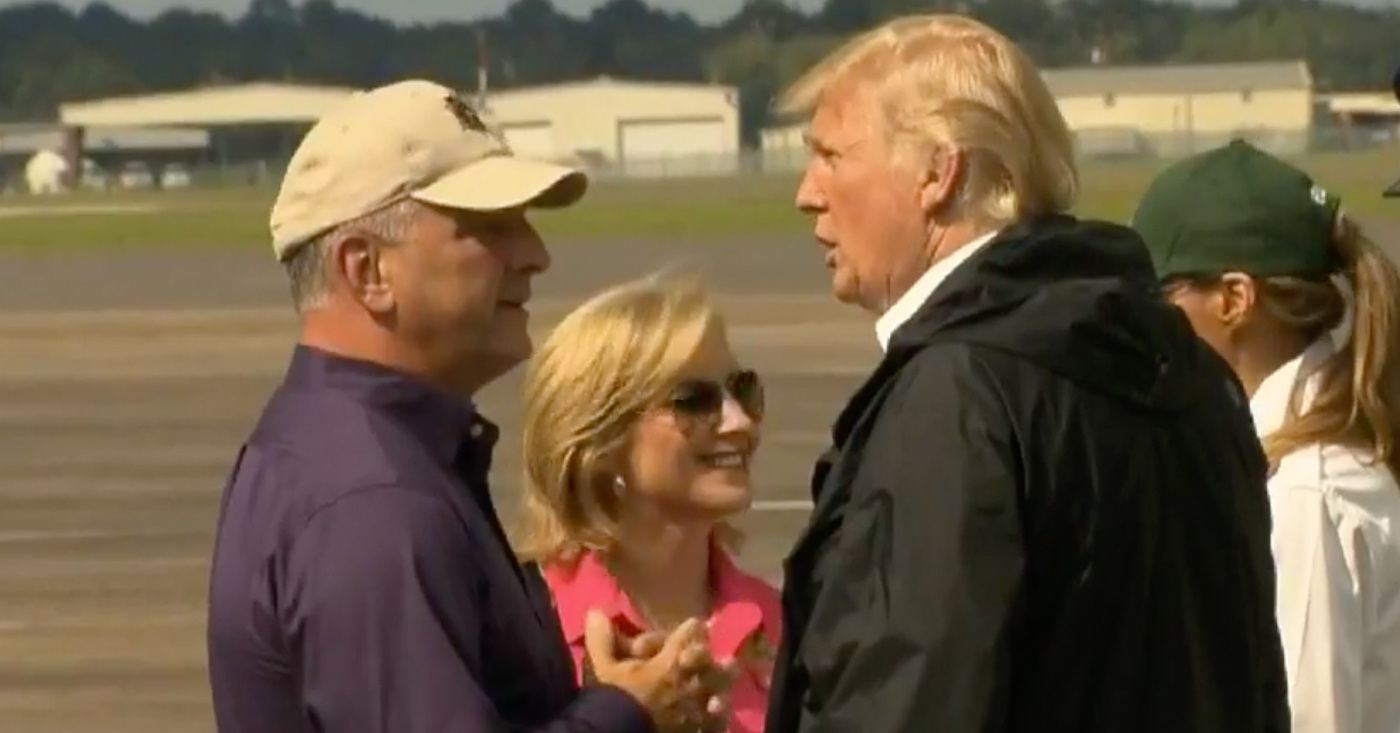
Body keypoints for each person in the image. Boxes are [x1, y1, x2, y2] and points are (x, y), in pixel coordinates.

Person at [764, 14, 1291, 733]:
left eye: (830, 155)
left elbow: (912, 699)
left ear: (937, 173)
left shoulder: (957, 394)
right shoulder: (1196, 376)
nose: (807, 191)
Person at [206, 79, 728, 733]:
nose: (535, 254)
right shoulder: (376, 503)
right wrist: (626, 713)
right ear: (367, 270)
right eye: (488, 228)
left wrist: (579, 699)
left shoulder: (329, 449)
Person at [1134, 139, 1400, 733]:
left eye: (1158, 296)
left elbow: (1309, 720)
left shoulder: (1307, 493)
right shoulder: (1304, 453)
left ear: (1235, 299)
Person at [514, 273, 781, 733]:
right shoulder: (522, 631)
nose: (739, 421)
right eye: (693, 401)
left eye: (743, 389)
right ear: (601, 441)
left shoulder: (787, 623)